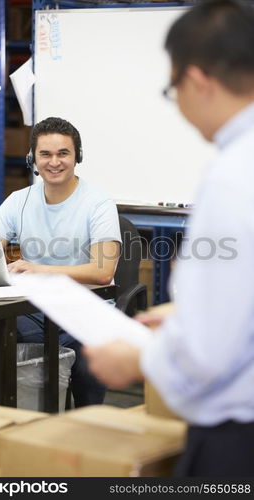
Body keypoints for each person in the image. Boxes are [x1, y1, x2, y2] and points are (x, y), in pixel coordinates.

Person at [84, 0, 254, 476]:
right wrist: (186, 313)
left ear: (197, 81)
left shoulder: (233, 176)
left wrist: (136, 359)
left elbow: (207, 353)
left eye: (171, 88)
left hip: (237, 438)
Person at [0, 116, 121, 407]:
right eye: (45, 154)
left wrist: (39, 270)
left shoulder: (98, 203)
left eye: (63, 153)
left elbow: (102, 272)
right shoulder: (18, 200)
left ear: (78, 157)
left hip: (87, 312)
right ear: (32, 158)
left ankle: (86, 431)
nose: (54, 162)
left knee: (87, 372)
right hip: (36, 310)